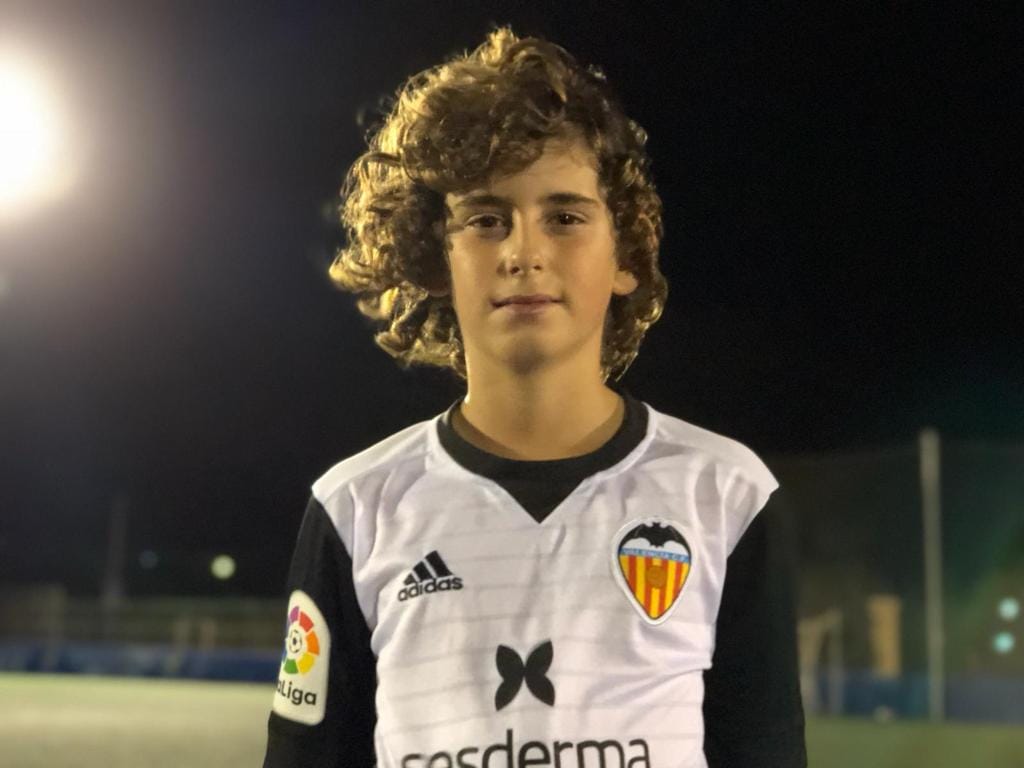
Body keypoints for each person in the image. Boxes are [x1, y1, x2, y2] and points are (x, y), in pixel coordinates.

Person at [263, 26, 805, 768]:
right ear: (433, 259)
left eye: (566, 217)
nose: (524, 251)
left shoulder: (725, 495)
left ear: (625, 254)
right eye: (486, 220)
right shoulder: (357, 508)